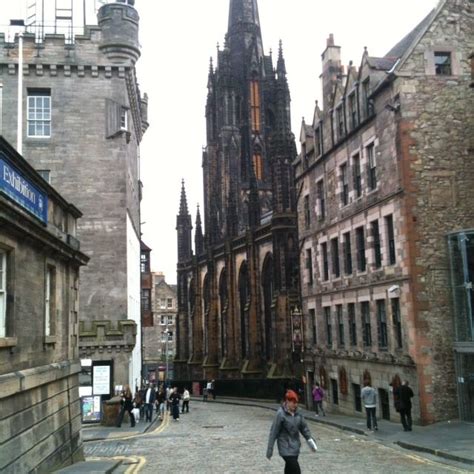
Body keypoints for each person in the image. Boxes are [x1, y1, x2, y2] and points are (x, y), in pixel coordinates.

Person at [266, 390, 317, 474]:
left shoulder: (298, 414)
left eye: (296, 403)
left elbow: (304, 429)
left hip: (295, 446)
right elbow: (274, 432)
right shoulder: (280, 414)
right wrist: (270, 449)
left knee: (289, 469)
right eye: (293, 402)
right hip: (285, 447)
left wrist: (311, 442)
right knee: (296, 469)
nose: (295, 405)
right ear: (287, 401)